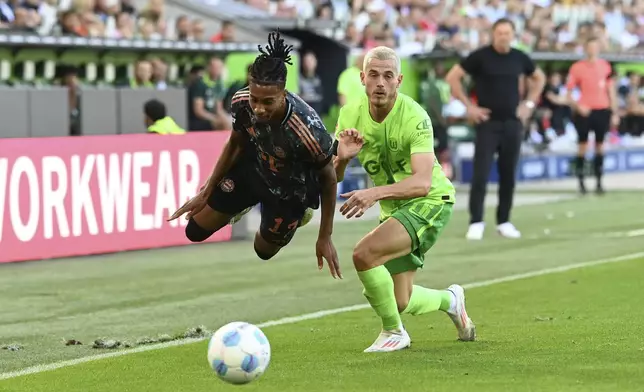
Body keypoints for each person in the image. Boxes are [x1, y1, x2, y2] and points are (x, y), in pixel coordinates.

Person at [333, 46, 475, 353]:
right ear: (362, 78)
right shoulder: (349, 114)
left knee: (364, 254)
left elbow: (423, 183)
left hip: (430, 202)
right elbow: (332, 177)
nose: (380, 83)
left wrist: (373, 193)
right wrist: (342, 159)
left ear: (398, 80)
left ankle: (393, 332)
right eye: (373, 75)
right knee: (401, 300)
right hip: (394, 208)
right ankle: (451, 300)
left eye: (387, 76)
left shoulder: (415, 116)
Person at [168, 31, 341, 278]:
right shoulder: (240, 101)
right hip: (254, 170)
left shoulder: (308, 130)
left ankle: (299, 214)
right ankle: (241, 204)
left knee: (264, 251)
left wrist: (325, 236)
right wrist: (205, 192)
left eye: (268, 102)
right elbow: (235, 144)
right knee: (194, 231)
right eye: (255, 98)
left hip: (290, 191)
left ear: (284, 93)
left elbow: (329, 178)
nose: (259, 108)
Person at [445, 18, 545, 241]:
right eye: (500, 32)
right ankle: (476, 221)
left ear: (513, 34)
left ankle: (504, 221)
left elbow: (538, 78)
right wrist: (469, 107)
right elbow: (453, 77)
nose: (503, 36)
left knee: (508, 174)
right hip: (487, 122)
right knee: (480, 173)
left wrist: (529, 103)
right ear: (493, 34)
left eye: (507, 33)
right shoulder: (480, 56)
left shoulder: (519, 57)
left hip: (512, 122)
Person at [566, 37, 619, 195]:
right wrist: (578, 106)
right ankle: (581, 183)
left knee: (600, 146)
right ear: (585, 49)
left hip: (602, 109)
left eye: (595, 47)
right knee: (582, 145)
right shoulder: (577, 67)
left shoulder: (605, 66)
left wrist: (614, 112)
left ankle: (599, 182)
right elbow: (568, 93)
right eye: (590, 47)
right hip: (585, 110)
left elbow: (611, 91)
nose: (592, 50)